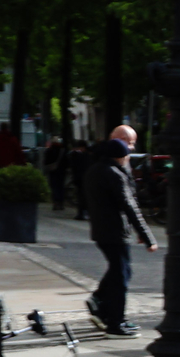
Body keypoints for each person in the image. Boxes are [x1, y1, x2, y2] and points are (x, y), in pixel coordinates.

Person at [81, 127, 153, 335]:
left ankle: (102, 308)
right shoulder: (114, 172)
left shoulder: (96, 168)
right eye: (129, 145)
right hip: (115, 230)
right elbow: (128, 203)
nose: (131, 150)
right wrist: (147, 235)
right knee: (121, 275)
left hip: (103, 229)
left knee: (118, 271)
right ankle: (115, 321)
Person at [41, 137, 68, 210]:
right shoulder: (63, 151)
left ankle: (55, 202)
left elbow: (46, 161)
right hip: (61, 171)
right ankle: (61, 203)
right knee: (61, 186)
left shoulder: (49, 150)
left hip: (52, 171)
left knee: (54, 186)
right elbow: (66, 161)